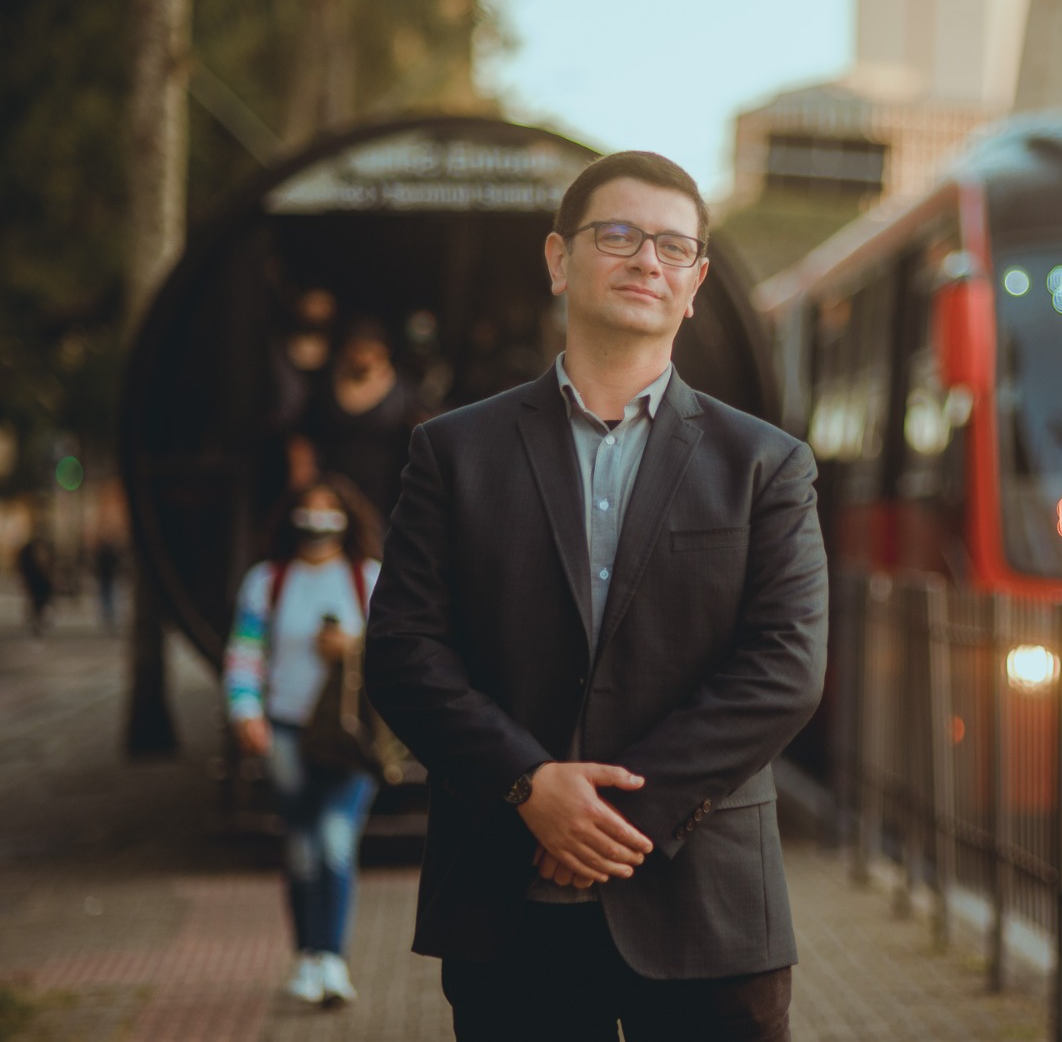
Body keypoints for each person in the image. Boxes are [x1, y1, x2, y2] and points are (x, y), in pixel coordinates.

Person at [364, 151, 829, 1041]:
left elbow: (786, 668)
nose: (646, 259)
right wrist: (527, 784)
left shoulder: (767, 465)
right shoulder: (453, 453)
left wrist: (617, 815)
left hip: (708, 914)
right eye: (617, 235)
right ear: (558, 259)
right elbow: (403, 652)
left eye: (672, 246)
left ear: (694, 285)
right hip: (508, 906)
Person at [223, 474, 384, 1009]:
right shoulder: (267, 582)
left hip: (349, 736)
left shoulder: (368, 579)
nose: (317, 521)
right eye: (307, 510)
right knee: (301, 848)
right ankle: (307, 957)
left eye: (327, 510)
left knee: (335, 839)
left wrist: (353, 646)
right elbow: (245, 651)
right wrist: (245, 711)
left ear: (347, 517)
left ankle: (333, 958)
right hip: (286, 730)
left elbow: (403, 654)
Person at [289, 315, 425, 523]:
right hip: (331, 491)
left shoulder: (403, 394)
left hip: (383, 497)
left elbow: (421, 440)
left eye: (370, 351)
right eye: (358, 349)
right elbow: (303, 435)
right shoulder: (326, 385)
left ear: (383, 352)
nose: (363, 357)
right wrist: (302, 476)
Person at [16, 533, 54, 636]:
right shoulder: (27, 553)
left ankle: (38, 622)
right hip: (34, 583)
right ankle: (35, 623)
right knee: (35, 605)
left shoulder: (46, 551)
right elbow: (23, 569)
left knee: (41, 605)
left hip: (42, 584)